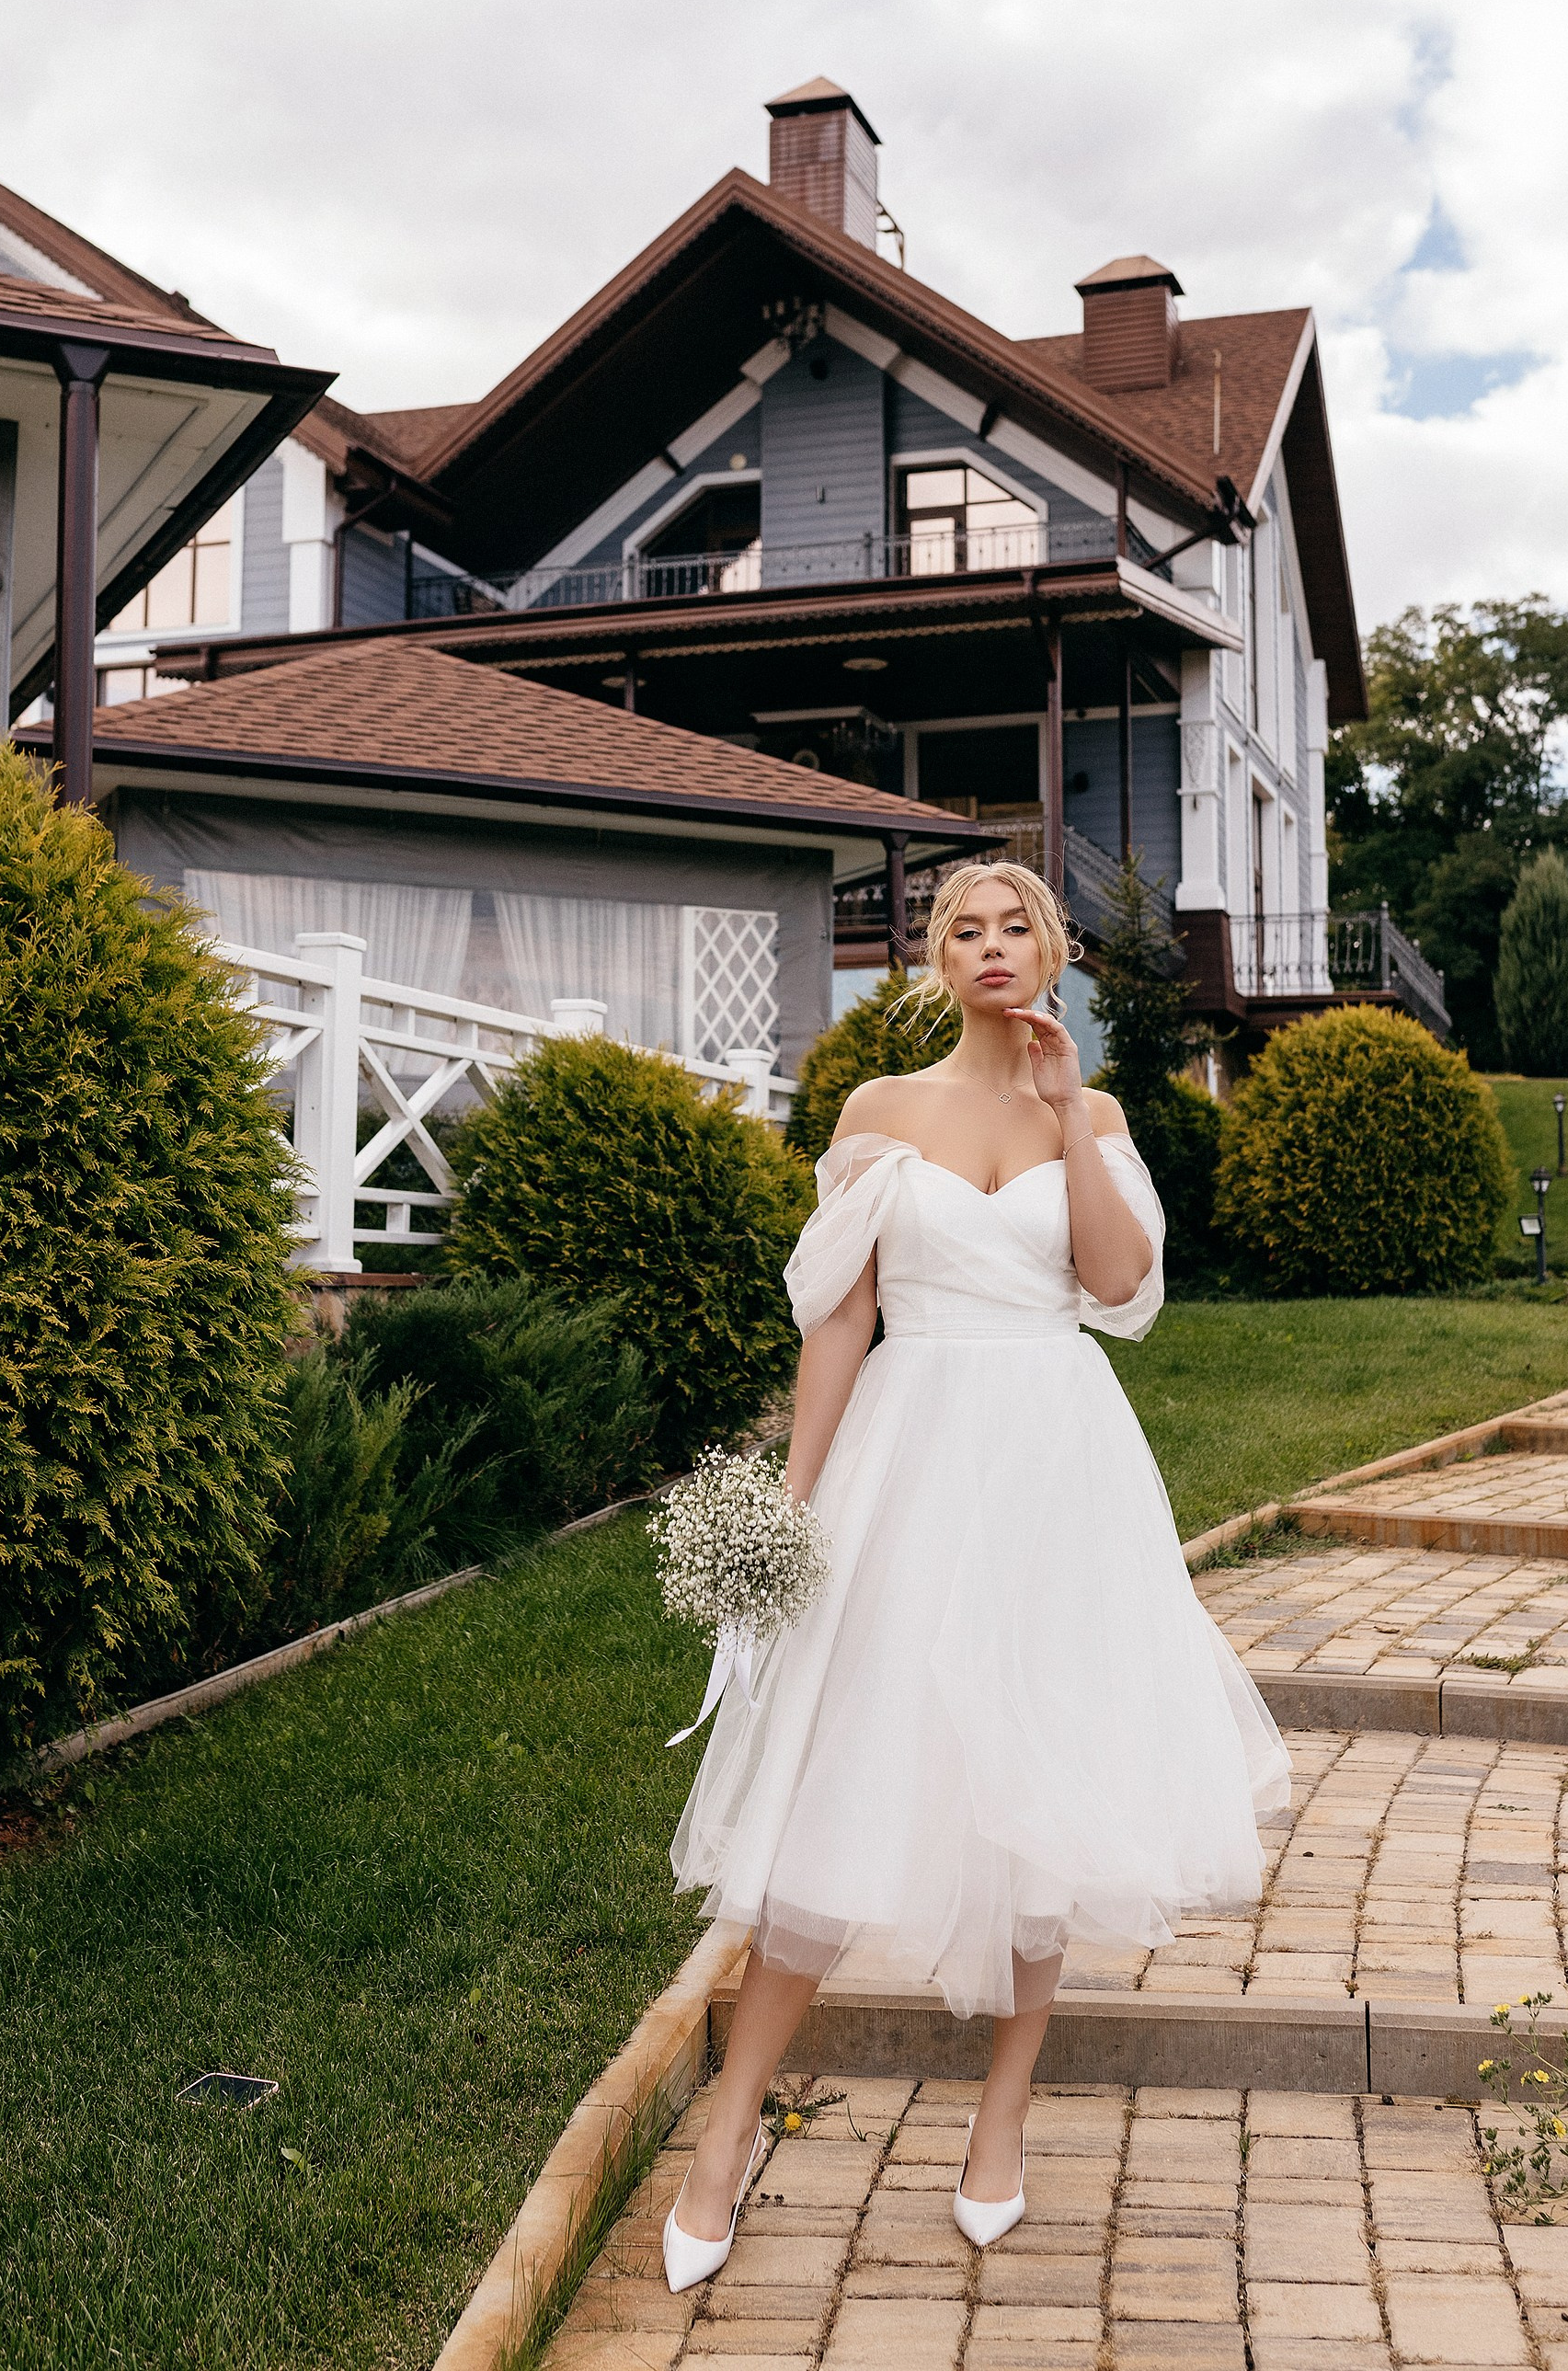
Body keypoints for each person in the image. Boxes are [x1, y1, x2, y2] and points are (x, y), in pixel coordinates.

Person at [663, 861, 1288, 2289]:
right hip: (911, 1454)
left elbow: (1124, 1293)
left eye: (1016, 927)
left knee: (1042, 1779)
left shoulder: (1103, 1115)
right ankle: (730, 2126)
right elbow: (840, 1321)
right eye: (964, 930)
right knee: (839, 1777)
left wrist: (1072, 1117)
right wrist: (792, 1511)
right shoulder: (879, 1118)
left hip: (1060, 1465)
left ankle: (1002, 2113)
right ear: (932, 962)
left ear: (1053, 952)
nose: (992, 948)